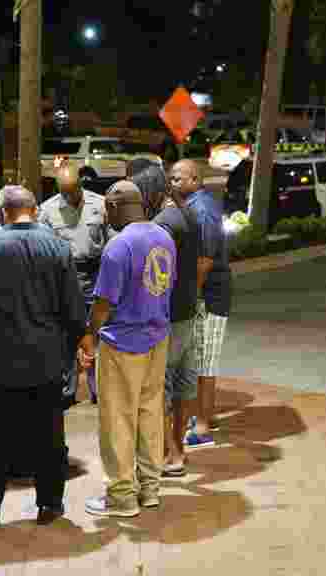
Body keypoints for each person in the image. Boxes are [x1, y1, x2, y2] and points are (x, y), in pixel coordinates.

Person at [0, 185, 86, 528]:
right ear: (35, 210)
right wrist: (77, 347)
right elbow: (74, 310)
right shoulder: (58, 247)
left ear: (2, 213)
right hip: (47, 360)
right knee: (50, 436)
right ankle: (50, 505)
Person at [80, 180, 176, 517]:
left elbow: (103, 303)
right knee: (150, 414)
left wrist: (89, 335)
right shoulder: (164, 237)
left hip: (123, 342)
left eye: (105, 209)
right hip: (157, 338)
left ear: (114, 206)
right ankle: (150, 489)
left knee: (118, 419)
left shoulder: (118, 247)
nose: (104, 217)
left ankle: (121, 497)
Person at [132, 164, 202, 477]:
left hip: (168, 317)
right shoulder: (187, 214)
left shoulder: (161, 224)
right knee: (184, 386)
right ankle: (179, 451)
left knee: (159, 389)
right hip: (187, 312)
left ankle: (167, 453)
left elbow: (156, 277)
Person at [171, 159, 231, 449]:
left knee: (204, 361)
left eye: (177, 178)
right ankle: (205, 416)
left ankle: (203, 427)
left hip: (209, 297)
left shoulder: (202, 209)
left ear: (194, 179)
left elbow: (204, 260)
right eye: (172, 178)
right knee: (200, 358)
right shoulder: (196, 205)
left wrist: (190, 295)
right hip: (206, 294)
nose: (172, 183)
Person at [39, 164, 109, 403]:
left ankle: (98, 390)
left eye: (74, 191)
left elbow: (111, 240)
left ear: (81, 184)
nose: (70, 197)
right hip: (65, 277)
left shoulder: (100, 204)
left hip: (96, 273)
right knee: (66, 335)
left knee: (96, 330)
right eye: (65, 193)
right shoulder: (47, 211)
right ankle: (67, 391)